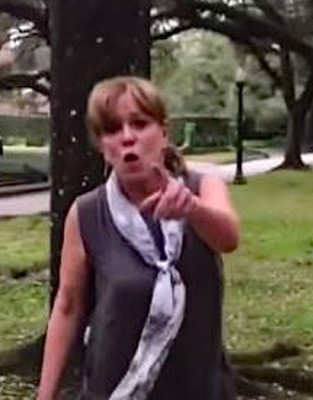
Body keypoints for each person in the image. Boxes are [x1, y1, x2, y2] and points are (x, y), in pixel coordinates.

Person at [36, 76, 240, 400]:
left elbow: (228, 238)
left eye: (140, 123)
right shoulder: (87, 213)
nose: (127, 138)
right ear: (103, 147)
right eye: (113, 129)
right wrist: (45, 396)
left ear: (163, 132)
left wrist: (193, 210)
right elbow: (68, 306)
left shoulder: (203, 187)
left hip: (198, 388)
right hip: (114, 389)